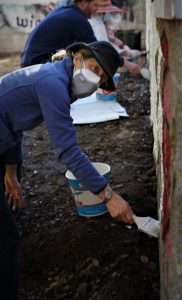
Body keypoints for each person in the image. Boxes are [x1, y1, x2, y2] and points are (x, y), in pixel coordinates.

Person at [0, 41, 134, 299]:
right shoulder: (52, 84)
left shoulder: (56, 79)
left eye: (102, 77)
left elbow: (13, 122)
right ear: (77, 59)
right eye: (94, 68)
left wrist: (10, 171)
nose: (95, 79)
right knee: (7, 238)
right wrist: (107, 196)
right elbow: (68, 151)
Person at [20, 0, 99, 67]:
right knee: (84, 62)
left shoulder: (63, 10)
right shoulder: (78, 19)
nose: (96, 9)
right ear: (83, 3)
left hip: (27, 60)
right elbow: (95, 49)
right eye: (95, 5)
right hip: (38, 62)